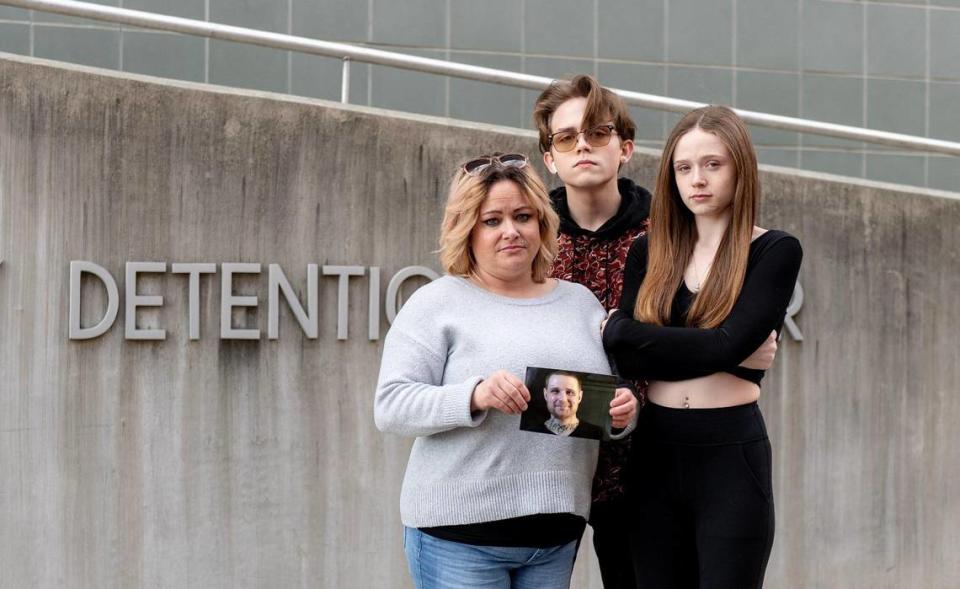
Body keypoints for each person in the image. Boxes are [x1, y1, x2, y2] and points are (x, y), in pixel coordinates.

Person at [533, 74, 779, 589]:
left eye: (597, 133)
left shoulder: (666, 233)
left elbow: (725, 339)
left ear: (625, 148)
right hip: (549, 462)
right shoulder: (530, 238)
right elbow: (517, 349)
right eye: (565, 137)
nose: (582, 145)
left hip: (646, 460)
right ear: (549, 156)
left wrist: (643, 351)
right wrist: (715, 351)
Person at [374, 153, 638, 589]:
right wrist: (474, 395)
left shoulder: (580, 304)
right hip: (459, 540)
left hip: (554, 538)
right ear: (468, 230)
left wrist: (622, 415)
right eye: (491, 220)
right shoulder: (437, 302)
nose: (511, 231)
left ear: (542, 224)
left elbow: (590, 412)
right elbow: (391, 406)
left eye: (522, 216)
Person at [602, 105, 803, 588]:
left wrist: (632, 332)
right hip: (653, 448)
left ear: (740, 167)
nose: (697, 179)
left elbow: (724, 344)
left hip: (730, 453)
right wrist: (717, 346)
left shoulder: (774, 250)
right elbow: (623, 351)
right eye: (684, 167)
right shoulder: (648, 251)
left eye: (714, 164)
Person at [526, 371, 604, 439]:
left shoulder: (597, 433)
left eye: (570, 392)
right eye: (555, 391)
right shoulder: (529, 432)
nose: (563, 399)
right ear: (546, 394)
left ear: (579, 397)